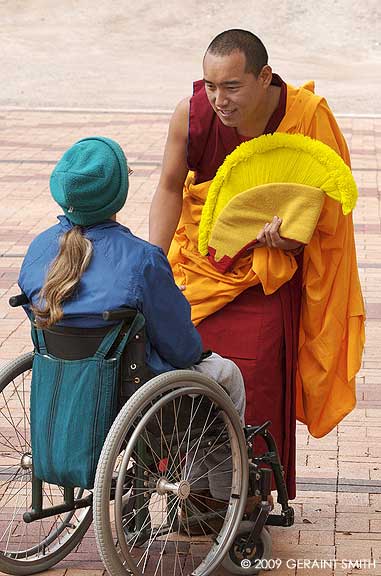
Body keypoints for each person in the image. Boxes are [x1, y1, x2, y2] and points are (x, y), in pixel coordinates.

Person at [149, 29, 365, 500]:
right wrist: (155, 263)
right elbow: (169, 187)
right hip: (202, 268)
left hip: (269, 273)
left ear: (264, 77)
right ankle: (192, 495)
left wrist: (293, 235)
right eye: (209, 85)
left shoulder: (307, 117)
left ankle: (248, 497)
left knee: (257, 375)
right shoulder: (193, 114)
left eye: (231, 87)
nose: (218, 99)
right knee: (182, 369)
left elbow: (329, 204)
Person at [18, 136, 246, 506]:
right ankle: (218, 502)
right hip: (136, 398)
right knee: (227, 376)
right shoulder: (142, 259)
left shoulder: (40, 248)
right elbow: (182, 348)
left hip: (69, 394)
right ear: (118, 193)